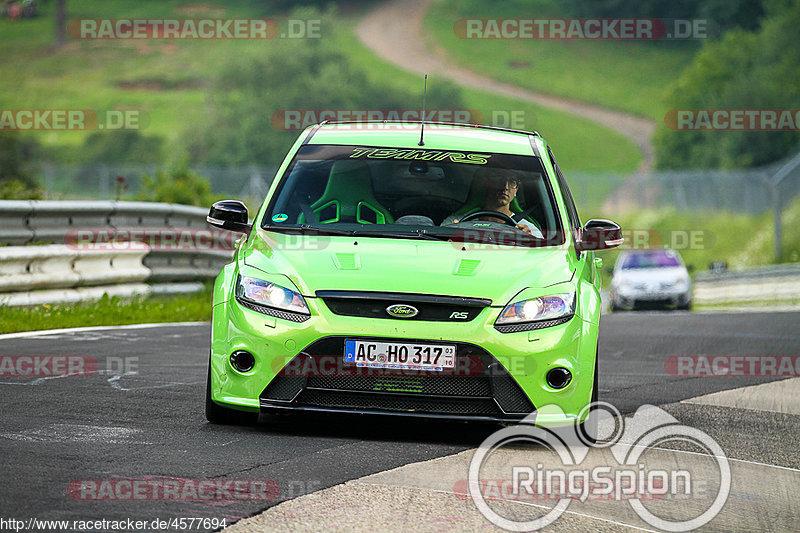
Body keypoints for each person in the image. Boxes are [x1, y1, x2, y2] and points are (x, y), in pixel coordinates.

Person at [441, 167, 543, 237]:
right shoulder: (455, 223)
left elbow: (541, 258)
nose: (505, 187)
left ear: (516, 190)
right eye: (499, 179)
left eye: (511, 182)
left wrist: (529, 240)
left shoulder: (528, 230)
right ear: (485, 183)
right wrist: (451, 233)